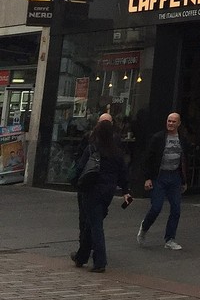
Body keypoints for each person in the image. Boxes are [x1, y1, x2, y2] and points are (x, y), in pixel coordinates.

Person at [71, 115, 132, 273]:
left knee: (94, 225)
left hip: (91, 189)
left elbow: (80, 167)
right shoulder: (117, 152)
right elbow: (123, 173)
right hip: (108, 191)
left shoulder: (92, 148)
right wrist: (125, 191)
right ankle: (81, 256)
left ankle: (100, 261)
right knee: (91, 224)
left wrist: (75, 181)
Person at [137, 110, 192, 250]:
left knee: (176, 209)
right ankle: (144, 227)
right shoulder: (158, 138)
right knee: (156, 207)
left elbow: (184, 160)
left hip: (174, 177)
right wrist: (147, 178)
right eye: (169, 121)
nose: (171, 123)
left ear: (179, 123)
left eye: (174, 121)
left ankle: (170, 239)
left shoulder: (182, 140)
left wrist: (184, 181)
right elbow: (148, 158)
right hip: (159, 176)